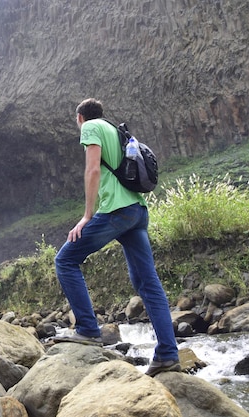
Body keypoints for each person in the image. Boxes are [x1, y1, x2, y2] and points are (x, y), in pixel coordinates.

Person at [53, 98, 180, 377]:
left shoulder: (90, 128)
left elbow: (93, 169)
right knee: (147, 282)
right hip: (136, 210)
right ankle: (168, 354)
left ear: (79, 118)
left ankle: (87, 329)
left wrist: (87, 215)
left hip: (115, 211)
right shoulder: (114, 128)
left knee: (65, 260)